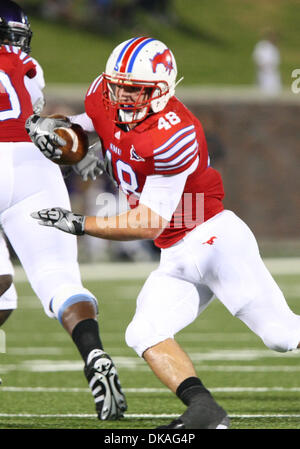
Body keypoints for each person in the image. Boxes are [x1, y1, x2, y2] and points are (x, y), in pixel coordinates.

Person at [27, 36, 300, 430]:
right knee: (144, 331)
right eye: (117, 87)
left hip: (212, 239)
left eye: (134, 91)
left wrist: (81, 223)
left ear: (163, 89)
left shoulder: (174, 134)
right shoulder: (106, 96)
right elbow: (93, 123)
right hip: (174, 251)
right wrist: (63, 131)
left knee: (282, 337)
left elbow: (147, 221)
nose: (121, 98)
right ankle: (206, 412)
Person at [0, 0, 127, 420]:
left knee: (2, 284)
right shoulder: (29, 66)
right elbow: (33, 116)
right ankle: (94, 354)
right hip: (35, 164)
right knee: (59, 279)